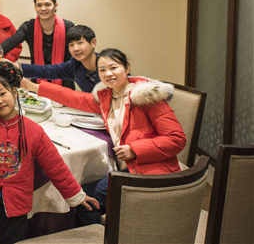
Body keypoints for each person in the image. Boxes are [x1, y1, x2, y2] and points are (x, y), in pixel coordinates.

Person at [27, 48, 186, 225]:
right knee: (81, 192)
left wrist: (135, 149)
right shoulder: (108, 97)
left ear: (127, 68)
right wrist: (30, 86)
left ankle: (107, 234)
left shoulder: (146, 97)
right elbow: (73, 97)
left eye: (113, 67)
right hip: (130, 168)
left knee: (84, 198)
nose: (108, 73)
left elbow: (177, 139)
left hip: (152, 172)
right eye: (102, 70)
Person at [0, 63, 99, 244]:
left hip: (16, 208)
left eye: (2, 93)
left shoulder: (34, 131)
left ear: (14, 92)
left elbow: (55, 166)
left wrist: (77, 194)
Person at [0, 0, 75, 89]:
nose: (43, 8)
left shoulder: (68, 27)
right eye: (39, 5)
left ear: (55, 6)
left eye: (47, 4)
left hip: (65, 83)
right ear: (35, 7)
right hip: (37, 81)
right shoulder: (29, 27)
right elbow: (12, 41)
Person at [15, 25, 100, 93]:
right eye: (71, 45)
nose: (75, 48)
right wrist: (16, 67)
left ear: (93, 43)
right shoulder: (75, 65)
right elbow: (45, 71)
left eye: (80, 43)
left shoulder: (106, 65)